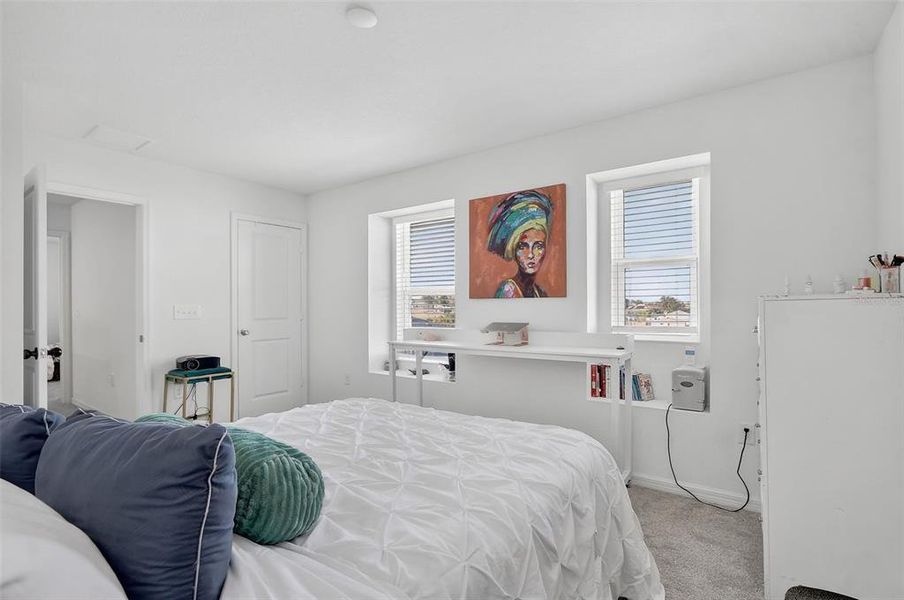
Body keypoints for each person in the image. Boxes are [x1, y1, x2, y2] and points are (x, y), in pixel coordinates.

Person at [486, 190, 553, 298]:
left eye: (538, 246)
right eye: (523, 246)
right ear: (513, 248)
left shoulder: (539, 292)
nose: (531, 255)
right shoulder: (508, 290)